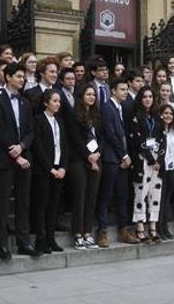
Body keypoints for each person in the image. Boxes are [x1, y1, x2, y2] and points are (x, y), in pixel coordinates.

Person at [0, 63, 38, 259]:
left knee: (23, 202)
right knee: (1, 204)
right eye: (18, 76)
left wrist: (22, 147)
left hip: (24, 158)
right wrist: (14, 152)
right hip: (4, 158)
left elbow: (30, 130)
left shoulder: (25, 102)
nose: (22, 79)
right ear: (8, 77)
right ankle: (0, 244)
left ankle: (23, 242)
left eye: (23, 76)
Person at [97, 76, 138, 246]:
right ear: (113, 90)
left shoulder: (122, 107)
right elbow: (111, 134)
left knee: (123, 195)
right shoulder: (107, 107)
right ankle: (102, 232)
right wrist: (124, 155)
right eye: (122, 89)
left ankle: (124, 229)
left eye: (126, 89)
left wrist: (126, 156)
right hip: (111, 158)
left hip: (122, 159)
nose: (125, 92)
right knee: (106, 196)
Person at [32, 89, 70, 252]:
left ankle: (51, 238)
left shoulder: (60, 121)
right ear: (46, 103)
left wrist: (63, 166)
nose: (57, 104)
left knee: (54, 205)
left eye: (59, 101)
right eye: (54, 101)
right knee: (42, 205)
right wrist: (49, 168)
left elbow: (64, 145)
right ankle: (41, 240)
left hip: (58, 168)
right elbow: (38, 146)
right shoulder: (39, 120)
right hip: (43, 170)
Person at [65, 83, 103, 249]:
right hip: (79, 159)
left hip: (96, 158)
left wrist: (97, 155)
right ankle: (78, 234)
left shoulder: (96, 115)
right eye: (88, 94)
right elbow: (75, 138)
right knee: (80, 197)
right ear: (81, 97)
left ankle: (87, 232)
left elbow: (103, 138)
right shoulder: (74, 115)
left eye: (93, 95)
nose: (91, 97)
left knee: (91, 197)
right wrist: (89, 157)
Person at [128, 87, 165, 242]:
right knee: (141, 193)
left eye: (150, 96)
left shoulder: (157, 117)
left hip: (157, 161)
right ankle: (140, 226)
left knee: (155, 193)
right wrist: (151, 159)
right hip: (142, 159)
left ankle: (153, 226)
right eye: (144, 97)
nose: (148, 99)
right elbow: (138, 140)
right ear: (140, 99)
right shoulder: (135, 117)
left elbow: (162, 139)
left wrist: (159, 160)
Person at [157, 104, 174, 240]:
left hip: (172, 167)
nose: (168, 116)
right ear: (161, 115)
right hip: (161, 168)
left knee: (167, 199)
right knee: (161, 199)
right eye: (165, 113)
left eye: (171, 114)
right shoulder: (158, 131)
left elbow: (173, 151)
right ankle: (159, 227)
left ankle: (165, 226)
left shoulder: (173, 131)